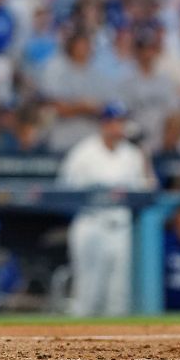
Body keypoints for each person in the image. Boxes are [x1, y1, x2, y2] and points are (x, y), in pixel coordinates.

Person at [57, 102, 155, 317]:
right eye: (113, 121)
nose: (117, 126)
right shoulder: (84, 151)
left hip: (121, 227)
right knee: (88, 292)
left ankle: (115, 349)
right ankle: (75, 346)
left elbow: (148, 189)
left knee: (118, 294)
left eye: (120, 121)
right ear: (104, 123)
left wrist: (145, 155)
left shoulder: (132, 154)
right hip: (91, 223)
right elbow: (64, 188)